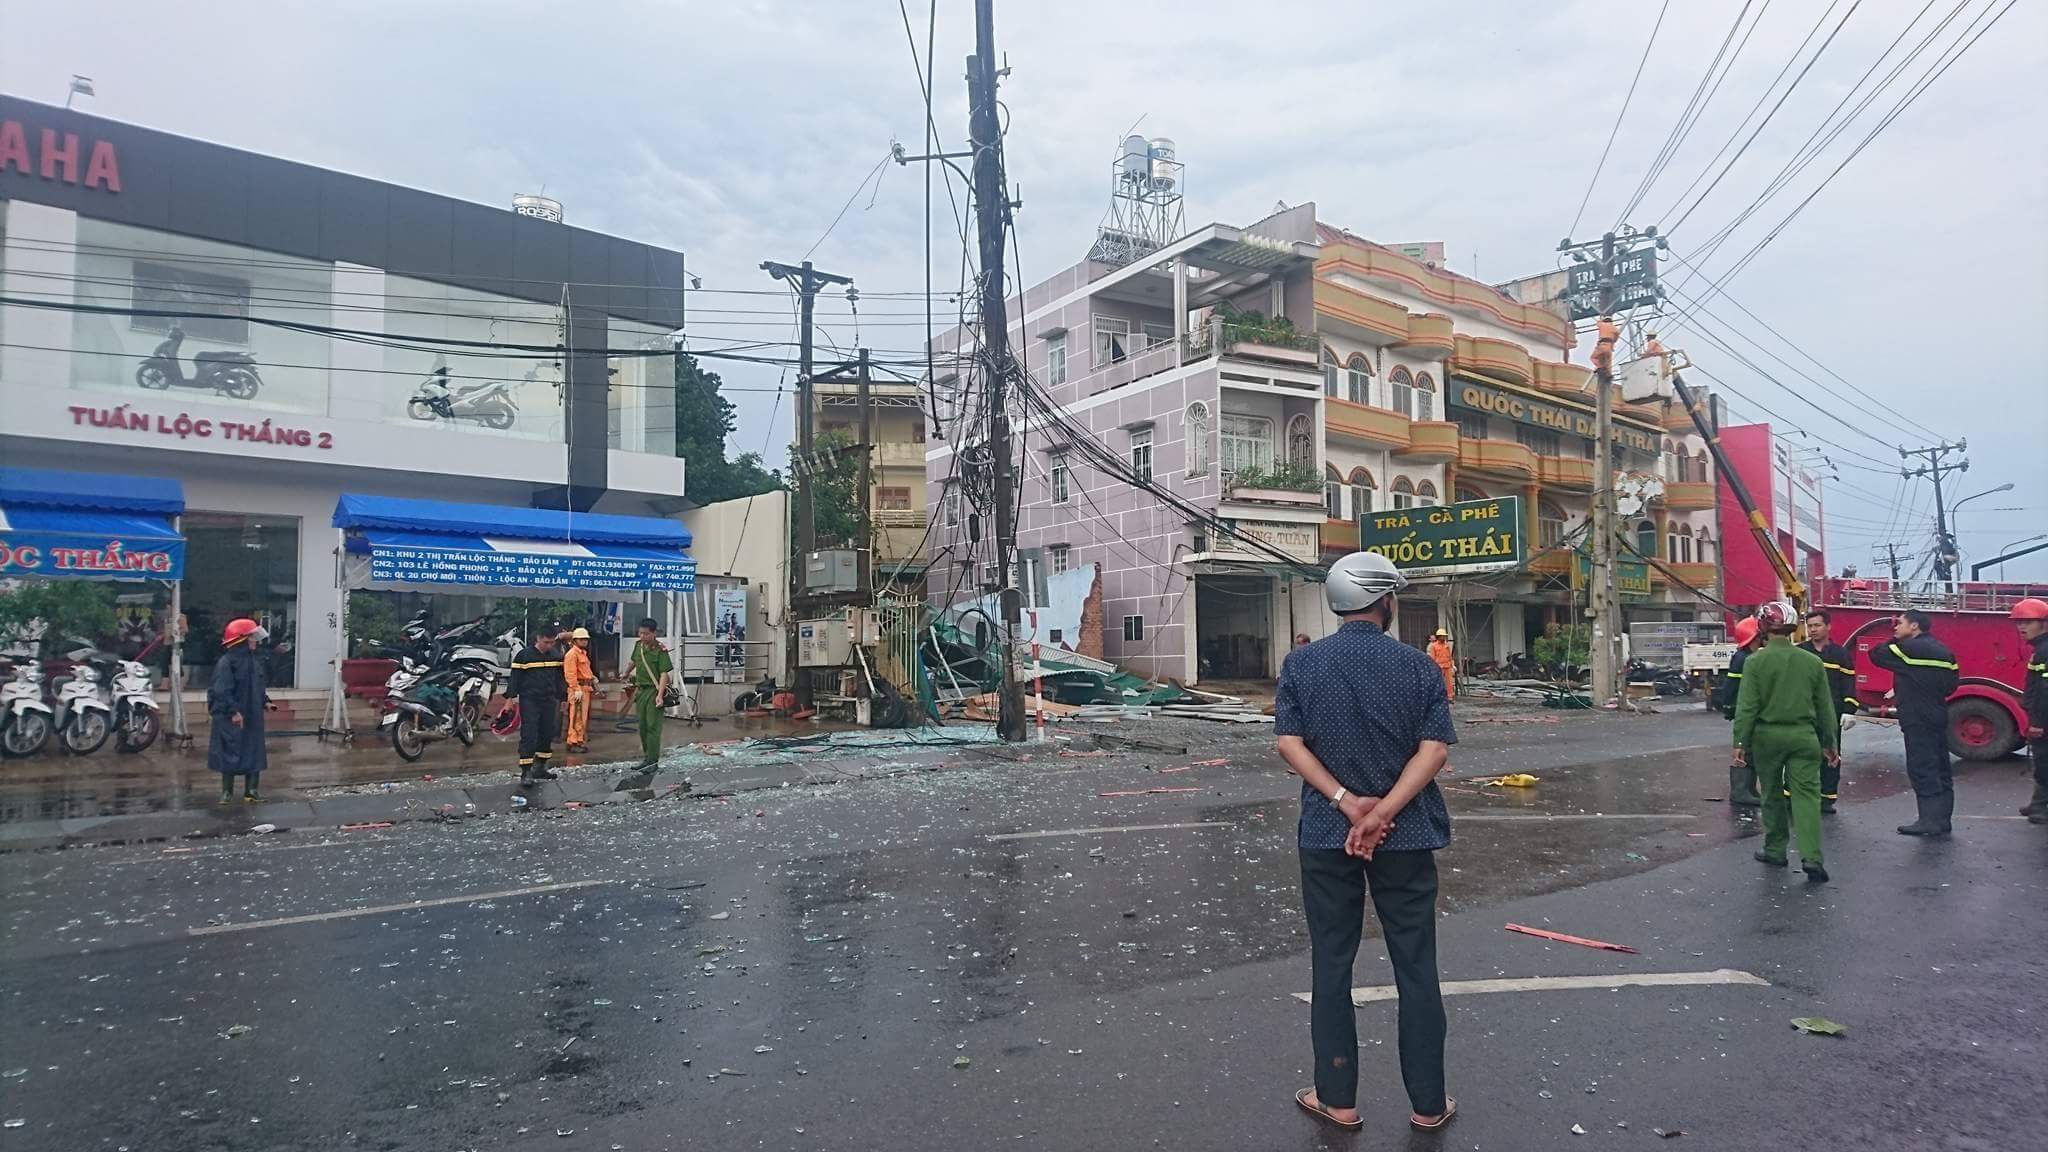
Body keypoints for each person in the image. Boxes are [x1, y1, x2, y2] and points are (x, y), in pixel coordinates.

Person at [1276, 551, 1456, 1134]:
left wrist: (1346, 803)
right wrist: (1385, 812)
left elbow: (1289, 744)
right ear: (1385, 602)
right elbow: (1434, 750)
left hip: (1328, 835)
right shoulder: (1420, 667)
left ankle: (1339, 1100)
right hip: (1407, 839)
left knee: (1332, 963)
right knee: (1416, 966)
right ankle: (1429, 1105)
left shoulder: (1302, 665)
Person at [1732, 600, 1837, 883]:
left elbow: (1747, 708)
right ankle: (1812, 857)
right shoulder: (1812, 662)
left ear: (1764, 627)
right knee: (1806, 798)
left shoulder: (1755, 662)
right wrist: (1830, 743)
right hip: (1805, 737)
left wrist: (1740, 743)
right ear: (1793, 627)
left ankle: (1775, 850)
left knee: (1772, 794)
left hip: (1767, 738)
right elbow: (1825, 707)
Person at [1871, 609, 1960, 837]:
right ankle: (1942, 820)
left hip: (1916, 715)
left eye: (1900, 623)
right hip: (1938, 712)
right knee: (1941, 767)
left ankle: (1928, 820)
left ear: (1914, 626)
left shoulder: (1907, 648)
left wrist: (1895, 639)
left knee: (1922, 766)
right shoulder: (1944, 651)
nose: (1895, 627)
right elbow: (1951, 686)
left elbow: (1876, 654)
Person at [1799, 609, 1859, 814]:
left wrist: (1850, 709)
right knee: (1801, 756)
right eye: (1810, 626)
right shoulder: (1800, 652)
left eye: (1817, 625)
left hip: (1831, 716)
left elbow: (1848, 683)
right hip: (1803, 714)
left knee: (1831, 756)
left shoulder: (1840, 654)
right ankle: (1795, 795)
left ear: (1828, 627)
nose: (1813, 630)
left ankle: (1826, 798)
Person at [207, 618, 268, 803]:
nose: (255, 641)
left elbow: (258, 686)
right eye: (252, 638)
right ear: (242, 640)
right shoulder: (226, 662)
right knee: (229, 753)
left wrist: (265, 701)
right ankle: (227, 792)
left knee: (254, 752)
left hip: (252, 715)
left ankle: (251, 791)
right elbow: (221, 690)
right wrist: (233, 711)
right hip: (231, 716)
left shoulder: (253, 661)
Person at [506, 629, 566, 787]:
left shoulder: (555, 655)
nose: (549, 645)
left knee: (547, 733)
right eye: (546, 642)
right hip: (530, 700)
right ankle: (526, 771)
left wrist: (564, 698)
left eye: (552, 642)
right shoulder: (524, 656)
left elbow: (560, 679)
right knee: (529, 734)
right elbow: (515, 678)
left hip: (549, 700)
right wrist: (510, 699)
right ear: (538, 638)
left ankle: (540, 767)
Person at [1714, 616, 1763, 807]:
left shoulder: (1746, 657)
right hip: (1744, 710)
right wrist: (1730, 708)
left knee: (1750, 751)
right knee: (1746, 751)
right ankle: (1740, 791)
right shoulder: (1744, 659)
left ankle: (1748, 789)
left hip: (1745, 709)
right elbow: (1732, 687)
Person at [2009, 597, 2048, 824]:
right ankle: (2038, 803)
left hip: (2044, 720)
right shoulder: (2040, 649)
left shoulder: (2044, 651)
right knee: (2042, 762)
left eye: (2027, 621)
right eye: (2018, 622)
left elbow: (2045, 691)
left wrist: (2039, 723)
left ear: (2043, 623)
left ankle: (2042, 809)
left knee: (2044, 763)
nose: (2021, 627)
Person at [626, 618, 675, 771]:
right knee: (642, 726)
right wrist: (626, 672)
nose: (642, 636)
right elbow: (634, 660)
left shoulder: (660, 650)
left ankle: (653, 762)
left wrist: (660, 695)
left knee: (653, 727)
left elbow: (663, 674)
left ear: (654, 633)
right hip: (641, 691)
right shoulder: (638, 645)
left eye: (646, 634)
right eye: (640, 633)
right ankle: (646, 758)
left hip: (654, 691)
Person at [562, 627, 596, 754]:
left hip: (585, 688)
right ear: (575, 640)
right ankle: (573, 742)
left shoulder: (582, 654)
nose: (584, 641)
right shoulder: (572, 654)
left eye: (585, 639)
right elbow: (570, 674)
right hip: (578, 689)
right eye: (581, 639)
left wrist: (593, 678)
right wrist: (576, 689)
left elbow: (585, 670)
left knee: (582, 717)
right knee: (576, 716)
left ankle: (579, 740)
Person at [1427, 628, 1456, 700]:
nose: (1444, 637)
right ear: (1439, 636)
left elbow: (1449, 656)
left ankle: (1450, 697)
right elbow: (1432, 658)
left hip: (1447, 666)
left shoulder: (1447, 645)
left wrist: (1452, 666)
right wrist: (1432, 668)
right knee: (1438, 682)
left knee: (1449, 683)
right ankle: (1438, 696)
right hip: (1438, 667)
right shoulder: (1433, 646)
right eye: (1442, 636)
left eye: (1444, 636)